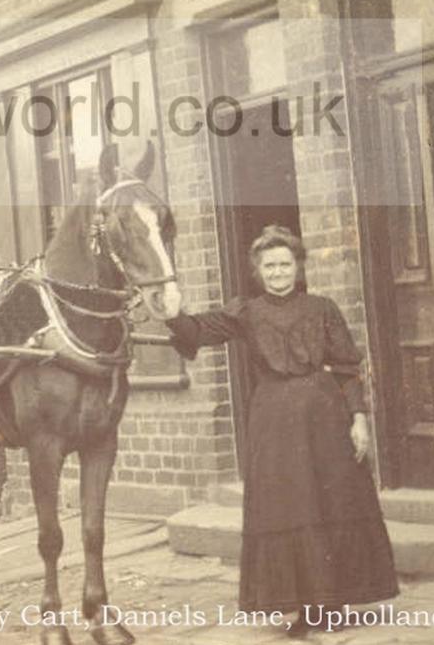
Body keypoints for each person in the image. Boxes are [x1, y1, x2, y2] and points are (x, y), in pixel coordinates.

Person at [165, 225, 398, 637]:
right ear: (258, 271)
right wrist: (172, 311)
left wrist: (358, 418)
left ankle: (333, 604)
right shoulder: (246, 312)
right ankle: (303, 608)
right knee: (289, 506)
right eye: (269, 266)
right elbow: (196, 331)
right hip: (273, 423)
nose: (278, 272)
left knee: (332, 503)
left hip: (325, 418)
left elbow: (346, 369)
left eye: (285, 264)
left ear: (298, 266)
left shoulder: (323, 308)